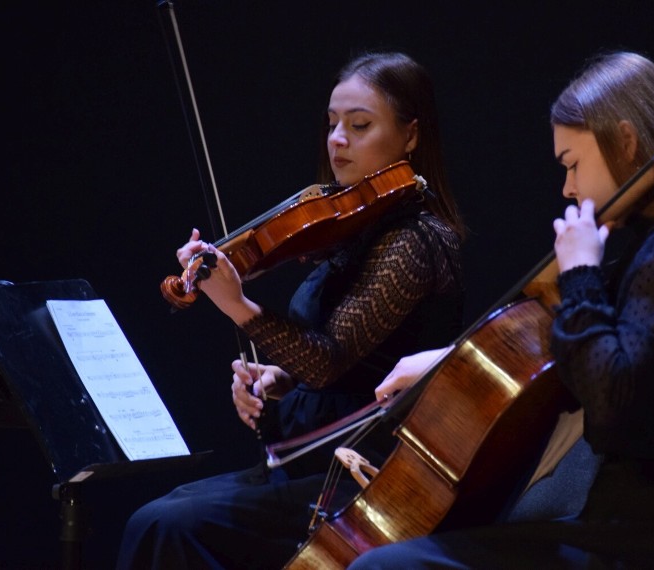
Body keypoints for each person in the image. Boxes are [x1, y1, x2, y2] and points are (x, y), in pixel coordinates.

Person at [348, 50, 654, 569]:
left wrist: (579, 273)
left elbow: (613, 397)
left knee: (384, 566)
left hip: (642, 545)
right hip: (623, 531)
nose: (567, 188)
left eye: (572, 164)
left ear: (625, 140)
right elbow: (564, 361)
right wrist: (452, 358)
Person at [116, 50, 466, 570]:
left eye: (360, 124)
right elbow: (340, 365)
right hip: (307, 458)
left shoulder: (415, 240)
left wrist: (239, 307)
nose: (337, 139)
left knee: (165, 526)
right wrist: (279, 378)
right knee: (158, 516)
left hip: (361, 474)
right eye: (332, 124)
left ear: (411, 136)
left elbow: (327, 361)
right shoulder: (354, 229)